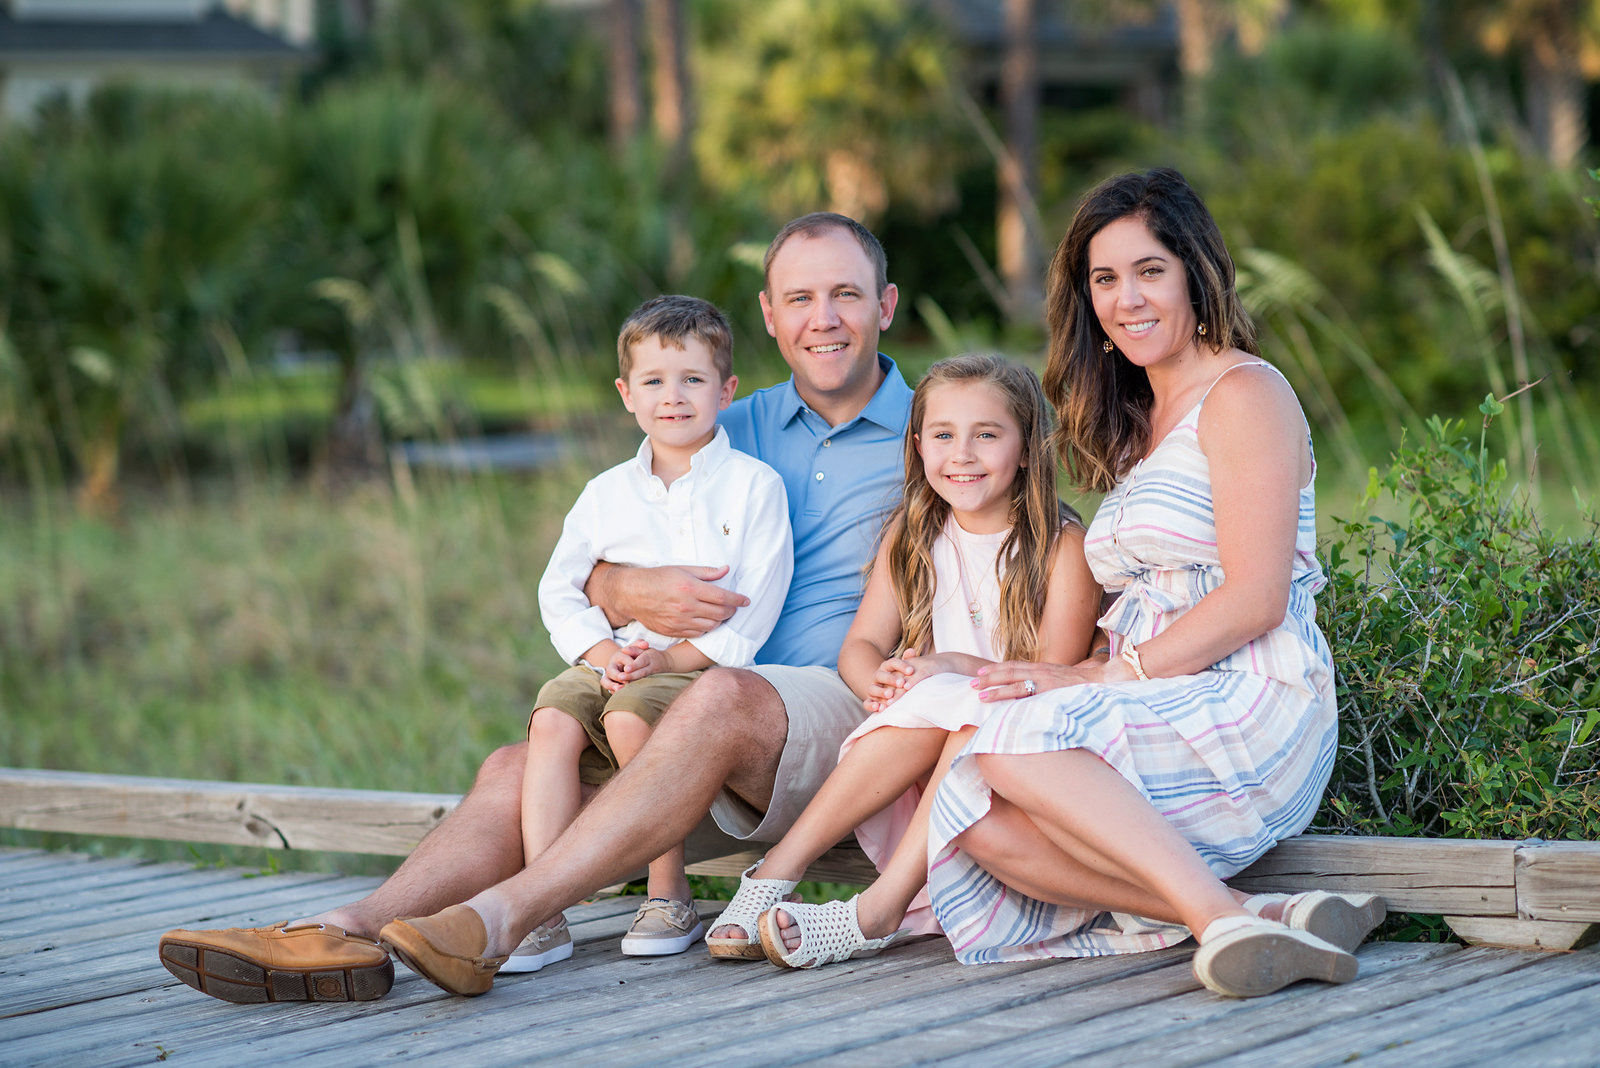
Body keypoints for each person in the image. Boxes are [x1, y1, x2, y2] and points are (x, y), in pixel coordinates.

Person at [156, 211, 914, 1002]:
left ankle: (500, 919)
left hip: (832, 710)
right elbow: (594, 557)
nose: (822, 319)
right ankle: (345, 929)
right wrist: (625, 590)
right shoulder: (726, 420)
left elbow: (1016, 556)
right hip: (688, 709)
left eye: (845, 295)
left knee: (719, 695)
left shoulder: (940, 434)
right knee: (517, 766)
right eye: (799, 298)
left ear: (885, 305)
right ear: (769, 314)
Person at [908, 169, 1379, 998]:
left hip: (1248, 692)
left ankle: (1222, 921)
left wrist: (1097, 675)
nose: (1127, 298)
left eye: (1149, 270)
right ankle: (1246, 918)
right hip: (1158, 692)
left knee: (1007, 740)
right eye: (1105, 278)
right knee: (973, 813)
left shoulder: (1245, 394)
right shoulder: (1140, 422)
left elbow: (1256, 598)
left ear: (1197, 274)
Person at [696, 355, 1100, 968]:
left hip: (1021, 753)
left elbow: (1049, 678)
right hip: (923, 746)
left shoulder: (1061, 547)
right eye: (943, 435)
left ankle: (881, 906)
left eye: (986, 435)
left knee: (949, 700)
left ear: (1026, 448)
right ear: (917, 446)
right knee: (925, 699)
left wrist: (952, 666)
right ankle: (776, 874)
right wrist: (878, 683)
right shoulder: (913, 536)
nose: (961, 454)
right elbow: (859, 647)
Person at [508, 295, 792, 970]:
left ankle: (670, 895)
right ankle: (540, 908)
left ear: (725, 390)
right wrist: (604, 653)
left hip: (696, 667)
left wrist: (668, 655)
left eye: (693, 379)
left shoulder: (755, 487)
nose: (674, 396)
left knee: (634, 718)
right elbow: (559, 588)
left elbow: (756, 605)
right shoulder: (605, 493)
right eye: (654, 382)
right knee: (552, 715)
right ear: (626, 394)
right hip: (611, 658)